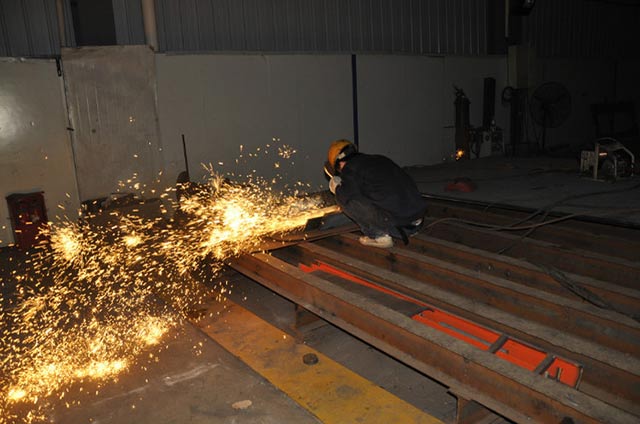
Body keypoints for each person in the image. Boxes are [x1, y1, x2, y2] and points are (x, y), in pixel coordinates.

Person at [325, 139, 427, 248]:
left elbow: (349, 196)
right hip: (418, 220)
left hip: (400, 227)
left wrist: (337, 189)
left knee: (344, 197)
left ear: (339, 163)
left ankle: (379, 236)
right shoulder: (379, 159)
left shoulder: (350, 169)